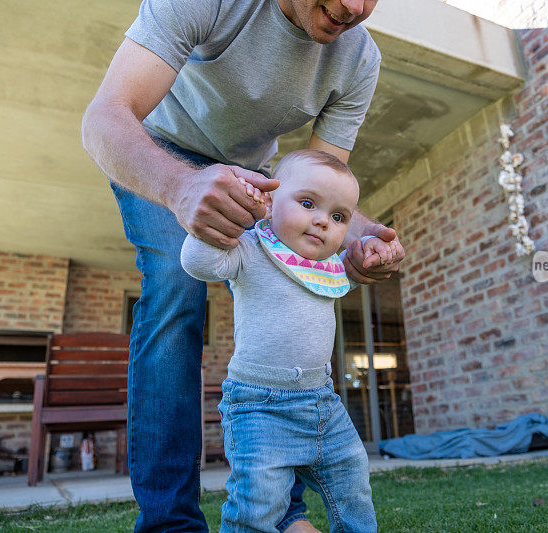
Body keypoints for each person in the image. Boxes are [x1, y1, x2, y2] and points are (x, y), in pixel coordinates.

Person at [81, 1, 403, 531]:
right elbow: (104, 118)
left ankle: (281, 514)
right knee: (176, 286)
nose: (354, 7)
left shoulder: (359, 59)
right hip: (162, 152)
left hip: (257, 176)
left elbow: (319, 189)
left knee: (289, 288)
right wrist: (180, 187)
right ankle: (170, 522)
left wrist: (362, 238)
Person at [182, 149, 393, 532]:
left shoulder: (331, 266)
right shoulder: (251, 248)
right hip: (259, 403)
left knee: (353, 479)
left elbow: (358, 259)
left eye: (338, 216)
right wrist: (214, 228)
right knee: (259, 503)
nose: (322, 222)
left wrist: (374, 250)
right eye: (308, 203)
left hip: (322, 401)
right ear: (269, 202)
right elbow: (199, 264)